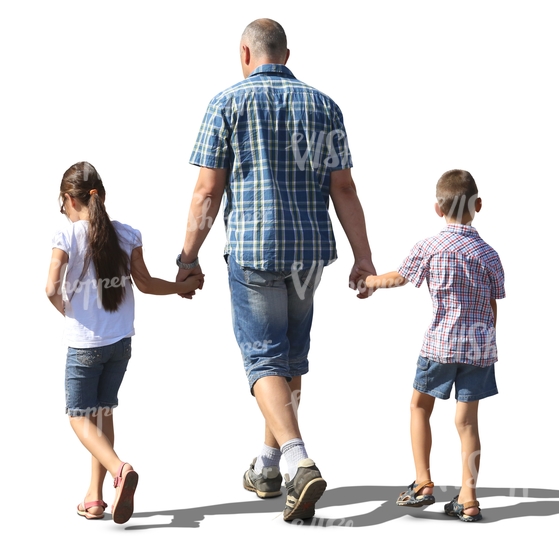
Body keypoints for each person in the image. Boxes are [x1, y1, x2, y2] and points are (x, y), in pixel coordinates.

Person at [175, 18, 374, 521]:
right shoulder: (324, 105)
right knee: (289, 359)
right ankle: (268, 466)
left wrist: (188, 255)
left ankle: (298, 460)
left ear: (246, 54)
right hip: (309, 253)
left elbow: (206, 191)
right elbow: (344, 189)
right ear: (286, 54)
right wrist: (363, 257)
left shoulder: (227, 103)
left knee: (264, 359)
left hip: (255, 249)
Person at [46, 162, 203, 524]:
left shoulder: (66, 237)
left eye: (62, 204)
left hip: (85, 346)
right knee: (103, 413)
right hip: (120, 345)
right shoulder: (128, 234)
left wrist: (69, 314)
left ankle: (120, 470)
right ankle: (95, 497)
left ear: (70, 199)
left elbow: (51, 288)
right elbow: (145, 284)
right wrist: (183, 287)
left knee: (78, 417)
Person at [365, 169, 505, 522]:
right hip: (479, 348)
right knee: (468, 423)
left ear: (437, 209)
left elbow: (400, 277)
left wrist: (370, 281)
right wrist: (486, 340)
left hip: (439, 344)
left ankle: (424, 482)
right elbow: (492, 305)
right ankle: (469, 500)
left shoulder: (429, 247)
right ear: (478, 205)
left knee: (419, 407)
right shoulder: (490, 256)